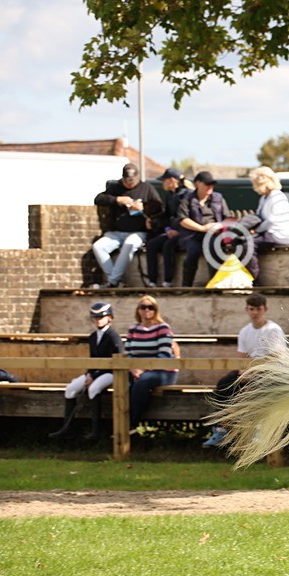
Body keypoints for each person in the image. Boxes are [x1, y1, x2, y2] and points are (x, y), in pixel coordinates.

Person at [203, 293, 286, 447]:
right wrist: (243, 370)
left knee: (255, 387)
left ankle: (260, 430)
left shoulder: (273, 330)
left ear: (265, 310)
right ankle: (221, 429)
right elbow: (242, 357)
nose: (255, 313)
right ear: (247, 309)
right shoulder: (245, 331)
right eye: (252, 309)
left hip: (271, 371)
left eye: (258, 309)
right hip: (249, 370)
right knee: (224, 384)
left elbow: (275, 359)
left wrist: (253, 372)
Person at [49, 301, 124, 442]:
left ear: (109, 318)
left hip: (110, 373)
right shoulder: (93, 337)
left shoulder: (113, 336)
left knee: (93, 389)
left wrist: (94, 376)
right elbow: (92, 359)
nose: (98, 320)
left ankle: (96, 431)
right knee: (71, 389)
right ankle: (68, 429)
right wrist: (89, 373)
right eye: (95, 318)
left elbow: (116, 358)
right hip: (94, 372)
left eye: (101, 317)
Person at [92, 163, 161, 288]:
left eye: (133, 181)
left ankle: (112, 282)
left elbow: (158, 207)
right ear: (123, 178)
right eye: (127, 181)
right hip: (116, 232)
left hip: (138, 232)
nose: (130, 184)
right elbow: (98, 199)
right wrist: (117, 200)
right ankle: (115, 280)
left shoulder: (146, 188)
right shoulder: (115, 188)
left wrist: (143, 208)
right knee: (98, 246)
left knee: (129, 245)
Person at [126, 295, 178, 431]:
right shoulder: (133, 329)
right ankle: (118, 421)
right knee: (122, 380)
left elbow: (164, 355)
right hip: (137, 369)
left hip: (163, 371)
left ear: (156, 310)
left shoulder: (163, 328)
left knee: (142, 382)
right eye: (143, 307)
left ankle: (132, 422)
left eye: (151, 307)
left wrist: (142, 369)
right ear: (138, 310)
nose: (147, 310)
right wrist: (133, 369)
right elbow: (128, 353)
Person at [176, 171, 233, 287]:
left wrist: (218, 226)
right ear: (197, 183)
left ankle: (215, 284)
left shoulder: (218, 198)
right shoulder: (187, 199)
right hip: (193, 235)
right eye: (207, 184)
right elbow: (183, 219)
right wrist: (202, 228)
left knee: (213, 248)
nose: (210, 187)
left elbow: (228, 218)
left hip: (215, 234)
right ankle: (186, 286)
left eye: (211, 184)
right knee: (192, 251)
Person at [244, 166, 289, 282]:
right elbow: (259, 217)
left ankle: (254, 278)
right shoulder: (264, 198)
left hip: (276, 234)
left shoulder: (276, 196)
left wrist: (256, 231)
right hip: (267, 233)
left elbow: (271, 220)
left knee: (247, 245)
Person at [145, 168, 190, 287]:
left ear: (171, 180)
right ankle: (152, 280)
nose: (162, 183)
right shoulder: (170, 195)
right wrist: (166, 228)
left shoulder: (187, 195)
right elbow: (167, 215)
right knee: (152, 245)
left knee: (168, 246)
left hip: (184, 233)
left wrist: (178, 231)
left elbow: (186, 216)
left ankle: (168, 280)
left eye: (163, 180)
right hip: (171, 231)